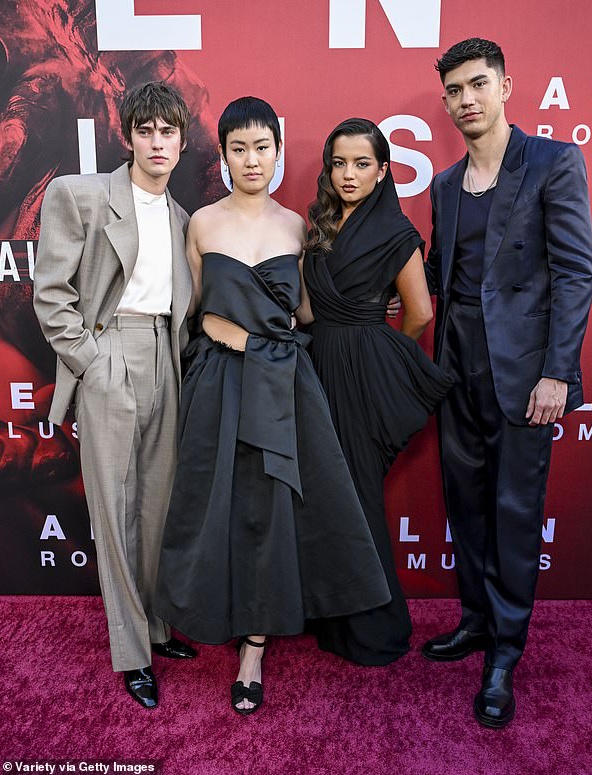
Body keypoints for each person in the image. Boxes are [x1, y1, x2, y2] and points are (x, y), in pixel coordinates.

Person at [155, 97, 391, 715]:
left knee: (269, 509)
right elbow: (194, 308)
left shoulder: (297, 225)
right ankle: (215, 612)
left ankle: (254, 648)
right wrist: (225, 334)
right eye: (239, 148)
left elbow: (307, 312)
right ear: (225, 155)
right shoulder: (201, 223)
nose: (251, 159)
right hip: (219, 382)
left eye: (263, 147)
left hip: (283, 384)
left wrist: (372, 309)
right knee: (217, 505)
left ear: (279, 153)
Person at [422, 38, 592, 728]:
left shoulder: (553, 162)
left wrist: (558, 371)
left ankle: (506, 649)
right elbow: (439, 278)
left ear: (505, 86)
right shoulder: (441, 185)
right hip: (455, 361)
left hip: (524, 369)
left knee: (515, 509)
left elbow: (576, 273)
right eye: (454, 90)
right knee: (465, 501)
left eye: (477, 84)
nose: (466, 99)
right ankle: (474, 619)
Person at [33, 82, 198, 711]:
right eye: (146, 130)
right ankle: (132, 653)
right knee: (115, 510)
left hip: (167, 357)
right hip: (110, 356)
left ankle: (156, 626)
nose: (158, 143)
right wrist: (89, 361)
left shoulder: (184, 219)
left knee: (157, 508)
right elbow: (51, 290)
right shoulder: (83, 195)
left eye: (168, 132)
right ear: (127, 136)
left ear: (182, 142)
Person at [302, 118, 453, 666]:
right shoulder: (316, 225)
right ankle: (328, 617)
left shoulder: (394, 231)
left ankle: (374, 628)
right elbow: (308, 309)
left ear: (384, 170)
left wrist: (377, 346)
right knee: (325, 494)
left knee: (359, 496)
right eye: (338, 163)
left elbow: (419, 313)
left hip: (362, 374)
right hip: (316, 365)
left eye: (362, 164)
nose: (348, 174)